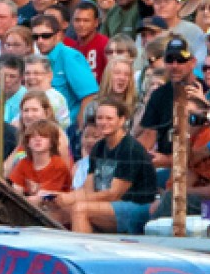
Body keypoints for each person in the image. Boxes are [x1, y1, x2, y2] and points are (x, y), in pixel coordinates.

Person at [66, 99, 158, 234]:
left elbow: (114, 194)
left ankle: (84, 253)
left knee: (80, 209)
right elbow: (88, 188)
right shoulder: (98, 147)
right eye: (100, 118)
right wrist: (61, 197)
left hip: (138, 206)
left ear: (121, 120)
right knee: (58, 209)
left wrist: (72, 199)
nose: (103, 122)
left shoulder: (130, 148)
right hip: (110, 204)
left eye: (109, 118)